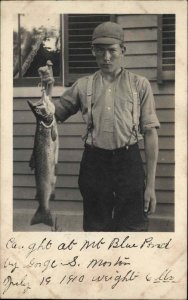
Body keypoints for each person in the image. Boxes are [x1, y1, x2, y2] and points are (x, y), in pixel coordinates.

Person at [42, 21, 160, 232]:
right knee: (96, 229)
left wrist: (150, 186)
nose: (106, 57)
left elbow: (150, 134)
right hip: (94, 164)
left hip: (129, 162)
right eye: (100, 51)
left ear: (122, 50)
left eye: (112, 51)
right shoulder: (83, 85)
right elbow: (51, 116)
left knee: (133, 229)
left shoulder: (140, 85)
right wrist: (47, 89)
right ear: (92, 51)